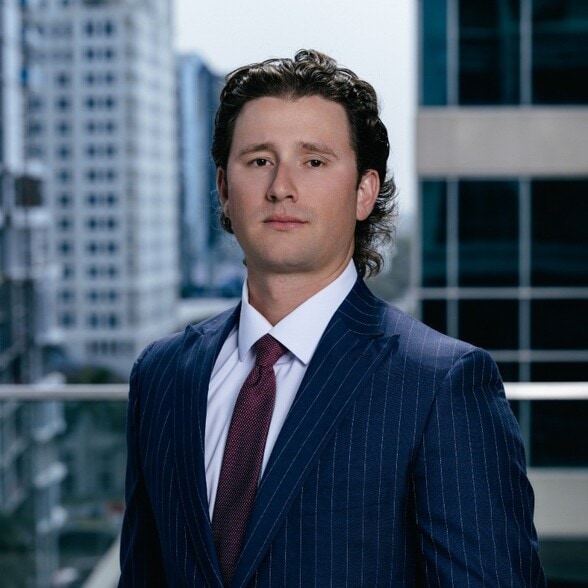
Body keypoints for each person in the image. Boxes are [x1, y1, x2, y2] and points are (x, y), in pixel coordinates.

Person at [118, 49, 545, 587]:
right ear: (224, 189)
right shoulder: (161, 376)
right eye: (258, 161)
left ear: (365, 192)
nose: (281, 187)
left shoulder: (441, 386)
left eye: (313, 162)